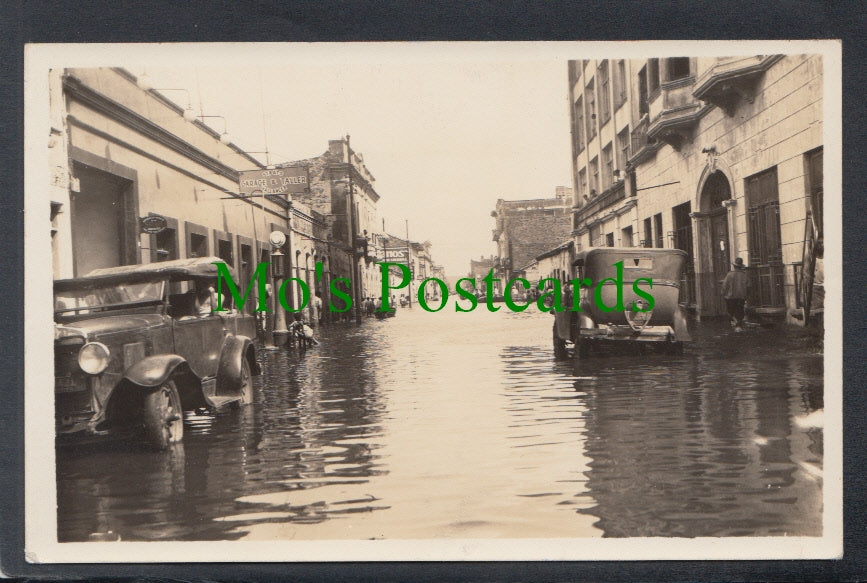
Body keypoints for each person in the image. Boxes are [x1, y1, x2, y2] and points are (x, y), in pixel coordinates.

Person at [721, 257, 749, 331]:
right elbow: (748, 285)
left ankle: (736, 324)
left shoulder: (730, 274)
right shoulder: (744, 275)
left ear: (734, 266)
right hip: (741, 296)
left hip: (731, 296)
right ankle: (738, 324)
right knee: (740, 310)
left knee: (731, 311)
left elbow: (725, 285)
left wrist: (723, 293)